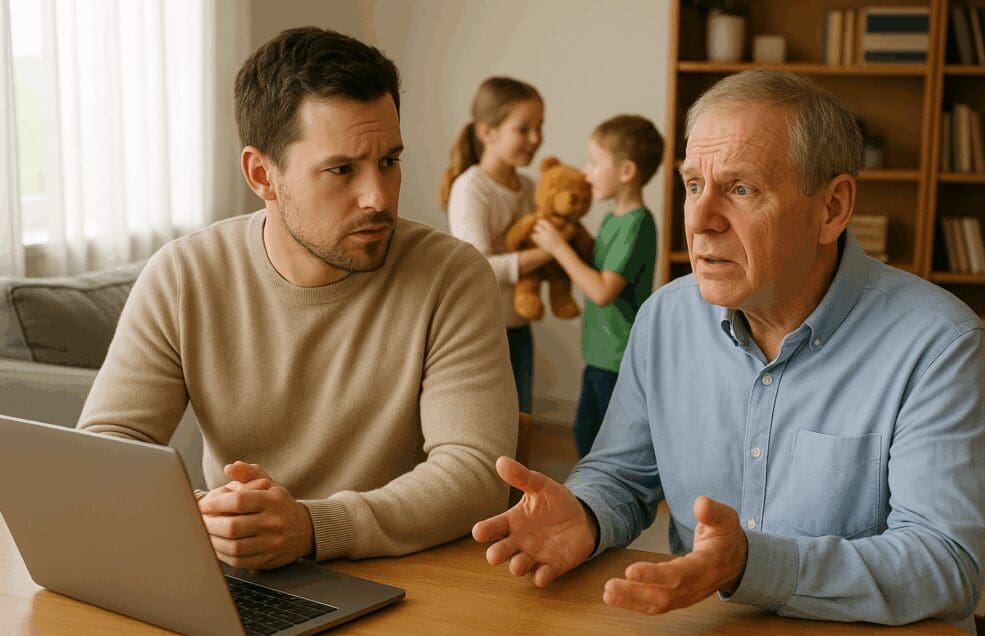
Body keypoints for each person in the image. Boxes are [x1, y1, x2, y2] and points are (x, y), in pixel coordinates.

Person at [473, 70, 985, 632]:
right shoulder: (664, 319)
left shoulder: (938, 343)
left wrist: (752, 565)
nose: (698, 220)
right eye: (694, 185)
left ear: (832, 208)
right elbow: (621, 476)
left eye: (742, 189)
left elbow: (946, 564)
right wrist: (585, 515)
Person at [77, 27, 517, 570]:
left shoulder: (452, 276)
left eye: (389, 162)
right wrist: (207, 518)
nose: (378, 197)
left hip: (408, 576)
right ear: (262, 174)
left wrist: (314, 527)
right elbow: (107, 445)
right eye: (342, 169)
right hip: (243, 575)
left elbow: (476, 474)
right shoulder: (183, 274)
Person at [531, 115, 663, 458]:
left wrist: (558, 249)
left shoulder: (637, 224)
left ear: (626, 172)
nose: (586, 173)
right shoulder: (611, 218)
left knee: (609, 445)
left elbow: (603, 291)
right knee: (585, 432)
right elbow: (593, 262)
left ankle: (605, 506)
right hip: (599, 354)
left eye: (594, 162)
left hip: (618, 358)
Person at [442, 76, 560, 415]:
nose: (536, 139)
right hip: (482, 329)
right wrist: (549, 252)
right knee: (490, 422)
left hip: (519, 326)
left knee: (520, 417)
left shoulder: (528, 186)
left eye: (539, 127)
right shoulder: (471, 188)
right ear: (487, 132)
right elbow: (478, 267)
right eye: (524, 129)